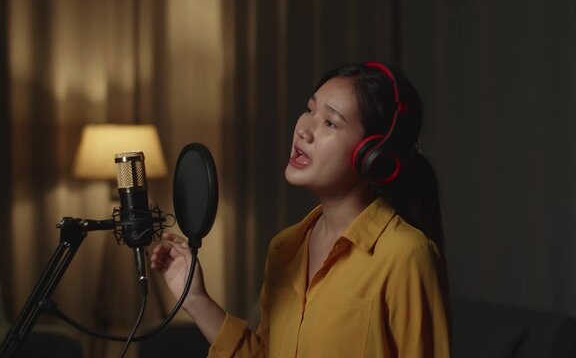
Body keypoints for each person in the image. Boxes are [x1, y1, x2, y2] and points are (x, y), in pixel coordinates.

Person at [150, 62, 451, 357]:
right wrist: (195, 299)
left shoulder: (405, 255)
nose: (304, 130)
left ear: (372, 155)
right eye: (309, 109)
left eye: (330, 122)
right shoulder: (285, 249)